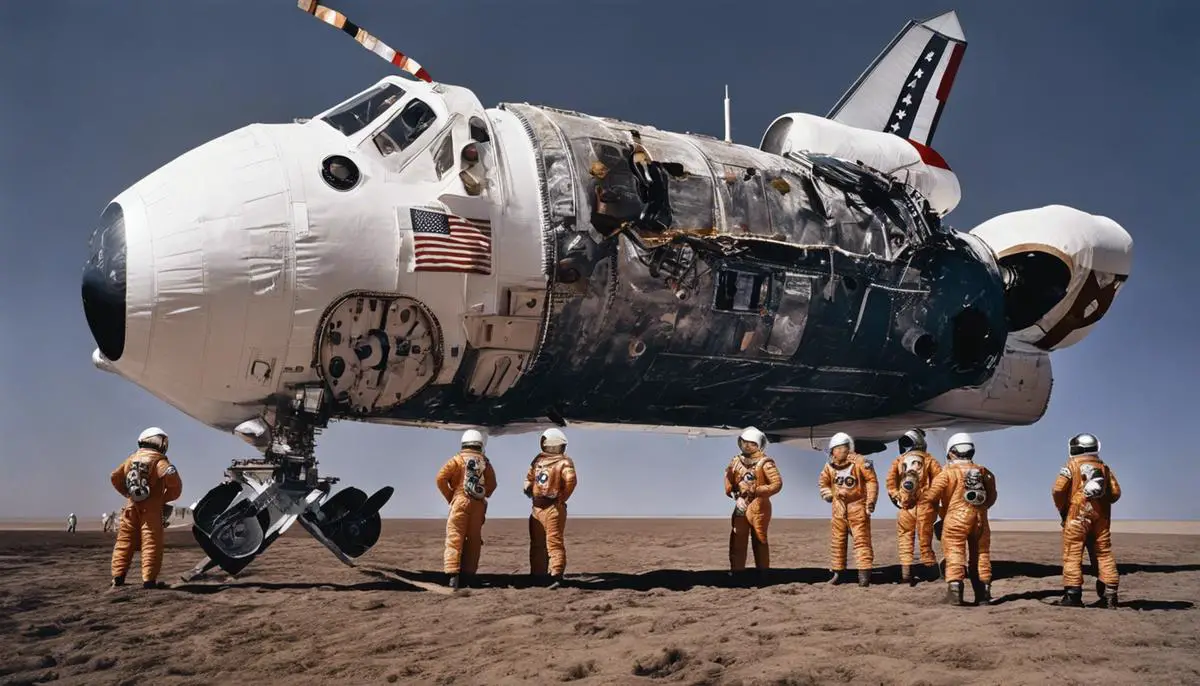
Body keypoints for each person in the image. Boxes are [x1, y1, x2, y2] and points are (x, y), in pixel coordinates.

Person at [920, 433, 997, 606]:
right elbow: (991, 497)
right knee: (982, 554)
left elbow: (931, 496)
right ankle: (984, 594)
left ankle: (955, 593)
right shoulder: (985, 472)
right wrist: (980, 510)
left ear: (951, 452)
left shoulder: (947, 473)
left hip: (955, 519)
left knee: (955, 552)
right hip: (980, 519)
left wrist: (940, 511)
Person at [1052, 432, 1122, 608]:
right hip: (1101, 518)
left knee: (1073, 553)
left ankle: (1073, 596)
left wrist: (1063, 510)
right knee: (1103, 553)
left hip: (1077, 516)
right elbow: (1115, 494)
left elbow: (1058, 490)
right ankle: (1109, 595)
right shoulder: (1105, 468)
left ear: (1076, 448)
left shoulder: (1071, 466)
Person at [109, 427, 183, 589]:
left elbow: (115, 477)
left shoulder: (130, 460)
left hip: (131, 507)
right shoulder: (160, 461)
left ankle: (117, 577)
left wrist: (127, 493)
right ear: (161, 443)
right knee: (151, 542)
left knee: (124, 541)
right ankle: (149, 580)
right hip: (151, 510)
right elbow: (174, 484)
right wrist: (163, 498)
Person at [436, 429, 497, 590]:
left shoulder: (456, 460)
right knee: (474, 539)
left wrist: (451, 496)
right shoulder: (485, 462)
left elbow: (441, 478)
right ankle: (469, 575)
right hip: (478, 505)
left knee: (455, 537)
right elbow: (492, 485)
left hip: (460, 502)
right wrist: (484, 493)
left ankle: (453, 576)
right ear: (480, 445)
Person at [724, 427, 783, 584]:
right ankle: (737, 572)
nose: (747, 446)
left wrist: (756, 490)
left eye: (752, 443)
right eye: (745, 443)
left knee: (759, 539)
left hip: (759, 506)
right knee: (737, 537)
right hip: (741, 504)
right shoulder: (736, 462)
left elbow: (776, 484)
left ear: (759, 445)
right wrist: (733, 492)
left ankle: (762, 573)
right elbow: (729, 477)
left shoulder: (765, 463)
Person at [818, 432, 878, 586]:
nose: (840, 451)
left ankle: (864, 575)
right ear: (832, 451)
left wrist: (870, 502)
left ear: (849, 448)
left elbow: (871, 481)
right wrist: (829, 494)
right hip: (838, 509)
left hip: (857, 507)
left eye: (843, 448)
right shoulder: (829, 467)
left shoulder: (861, 463)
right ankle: (839, 573)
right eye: (836, 449)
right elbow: (823, 483)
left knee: (862, 542)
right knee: (837, 542)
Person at [886, 429, 942, 584]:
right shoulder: (929, 460)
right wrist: (931, 498)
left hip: (906, 507)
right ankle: (930, 570)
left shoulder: (899, 461)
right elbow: (940, 482)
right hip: (926, 507)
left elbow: (890, 483)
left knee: (905, 539)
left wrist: (897, 497)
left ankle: (906, 573)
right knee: (925, 540)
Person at [524, 428, 577, 588]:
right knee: (541, 542)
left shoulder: (559, 462)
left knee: (550, 542)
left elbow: (570, 481)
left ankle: (555, 575)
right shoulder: (543, 461)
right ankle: (541, 575)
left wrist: (561, 498)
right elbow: (530, 478)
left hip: (549, 506)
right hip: (542, 506)